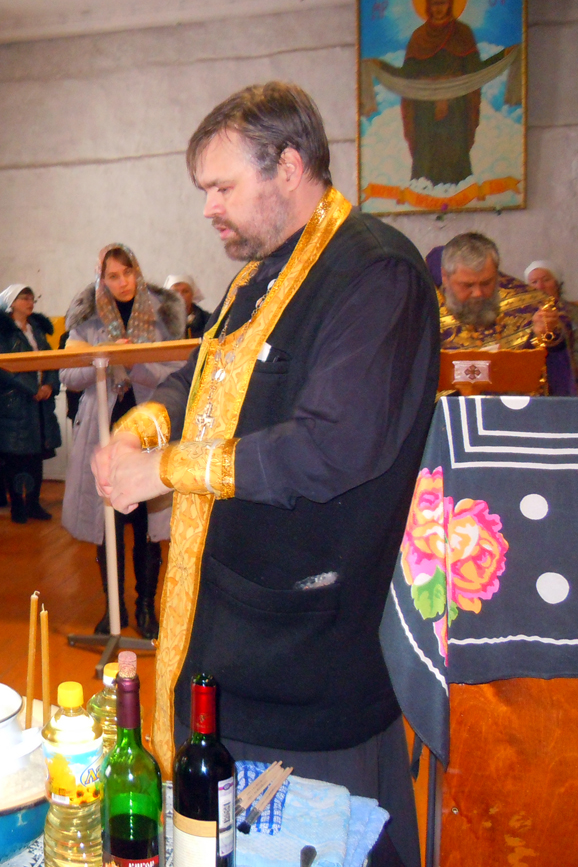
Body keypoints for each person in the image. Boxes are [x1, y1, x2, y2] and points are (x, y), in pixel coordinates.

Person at [95, 83, 438, 867]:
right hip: (234, 630)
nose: (208, 208)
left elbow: (332, 448)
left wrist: (166, 469)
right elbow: (205, 373)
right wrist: (140, 429)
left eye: (222, 187)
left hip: (308, 648)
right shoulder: (261, 272)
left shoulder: (375, 272)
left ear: (288, 166)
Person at [61, 245, 184, 641]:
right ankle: (113, 607)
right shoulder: (87, 320)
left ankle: (146, 605)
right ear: (102, 279)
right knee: (108, 524)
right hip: (104, 431)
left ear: (137, 271)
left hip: (149, 432)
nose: (123, 282)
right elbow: (67, 376)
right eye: (113, 276)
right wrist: (104, 359)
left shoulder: (163, 317)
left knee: (148, 524)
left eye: (127, 272)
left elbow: (179, 373)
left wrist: (136, 365)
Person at [438, 232, 577, 395]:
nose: (478, 293)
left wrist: (550, 333)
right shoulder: (426, 316)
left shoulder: (528, 306)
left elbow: (556, 367)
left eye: (486, 283)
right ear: (445, 277)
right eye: (467, 285)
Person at [0, 285, 61, 523]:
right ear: (11, 303)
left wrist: (49, 385)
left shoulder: (36, 329)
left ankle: (33, 503)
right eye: (24, 298)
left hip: (39, 403)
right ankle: (18, 506)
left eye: (31, 298)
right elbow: (2, 367)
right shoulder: (0, 331)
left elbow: (50, 360)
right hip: (13, 402)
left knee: (36, 456)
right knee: (15, 458)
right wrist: (32, 388)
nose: (30, 302)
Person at [399, 0, 483, 186]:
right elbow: (408, 74)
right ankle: (422, 189)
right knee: (426, 147)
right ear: (428, 5)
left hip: (456, 104)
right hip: (425, 106)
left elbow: (474, 70)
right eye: (435, 3)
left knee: (454, 146)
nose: (438, 8)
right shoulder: (419, 37)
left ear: (450, 3)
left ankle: (459, 187)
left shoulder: (462, 33)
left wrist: (450, 83)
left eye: (443, 2)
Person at [525, 259, 578, 394]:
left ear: (557, 283)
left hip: (569, 388)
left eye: (546, 280)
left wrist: (553, 375)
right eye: (534, 282)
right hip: (529, 389)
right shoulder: (520, 318)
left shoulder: (577, 315)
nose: (540, 286)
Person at [163, 274, 211, 338]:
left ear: (192, 295)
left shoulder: (208, 321)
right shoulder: (160, 322)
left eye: (185, 291)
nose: (180, 296)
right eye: (175, 292)